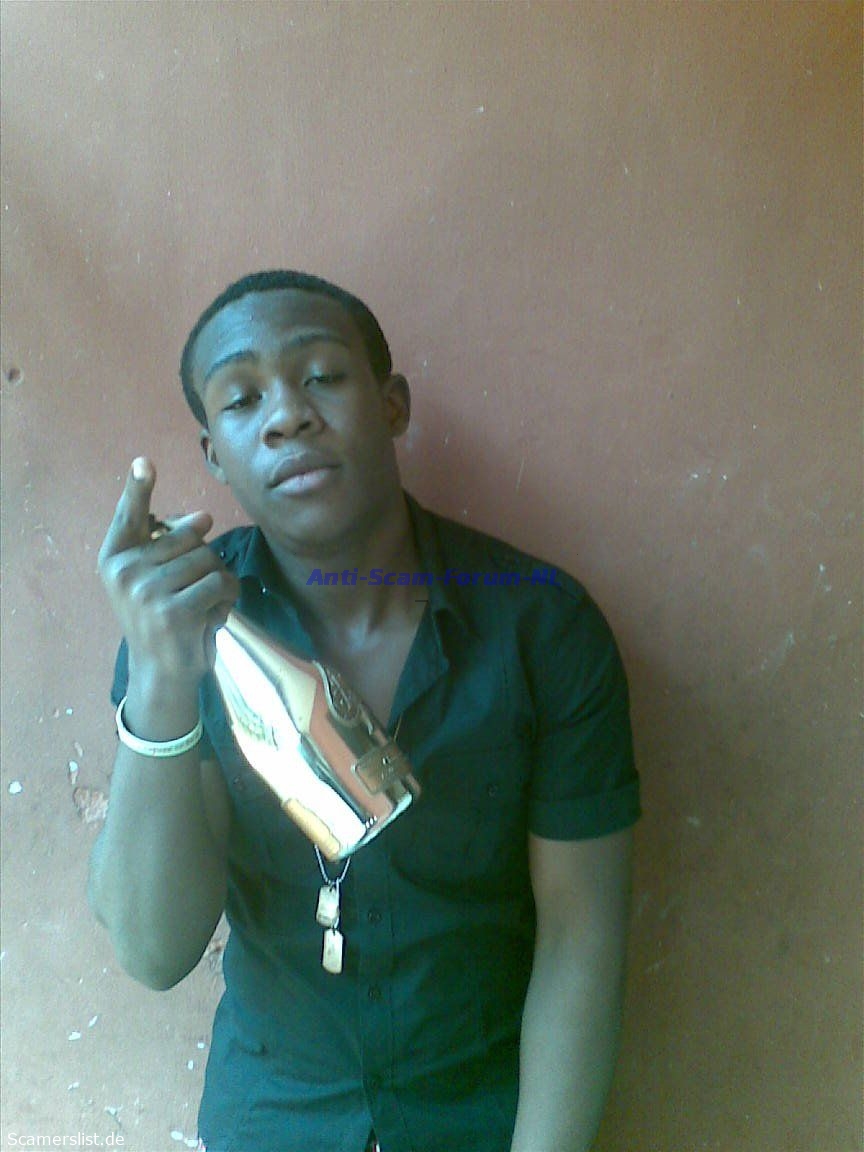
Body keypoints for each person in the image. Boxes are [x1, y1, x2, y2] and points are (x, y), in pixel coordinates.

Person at [88, 270, 640, 1152]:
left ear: (392, 406)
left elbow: (581, 936)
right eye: (242, 400)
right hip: (274, 1112)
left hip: (482, 1113)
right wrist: (159, 675)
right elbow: (155, 952)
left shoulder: (542, 628)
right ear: (215, 456)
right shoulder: (188, 626)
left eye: (322, 376)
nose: (286, 416)